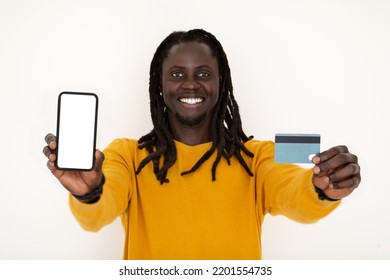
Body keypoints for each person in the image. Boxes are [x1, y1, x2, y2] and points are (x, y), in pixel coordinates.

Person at [43, 29, 361, 260]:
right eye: (177, 74)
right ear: (160, 85)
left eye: (204, 73)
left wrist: (322, 189)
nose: (191, 84)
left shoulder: (257, 156)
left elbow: (295, 193)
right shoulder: (128, 155)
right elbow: (96, 217)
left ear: (221, 83)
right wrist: (89, 193)